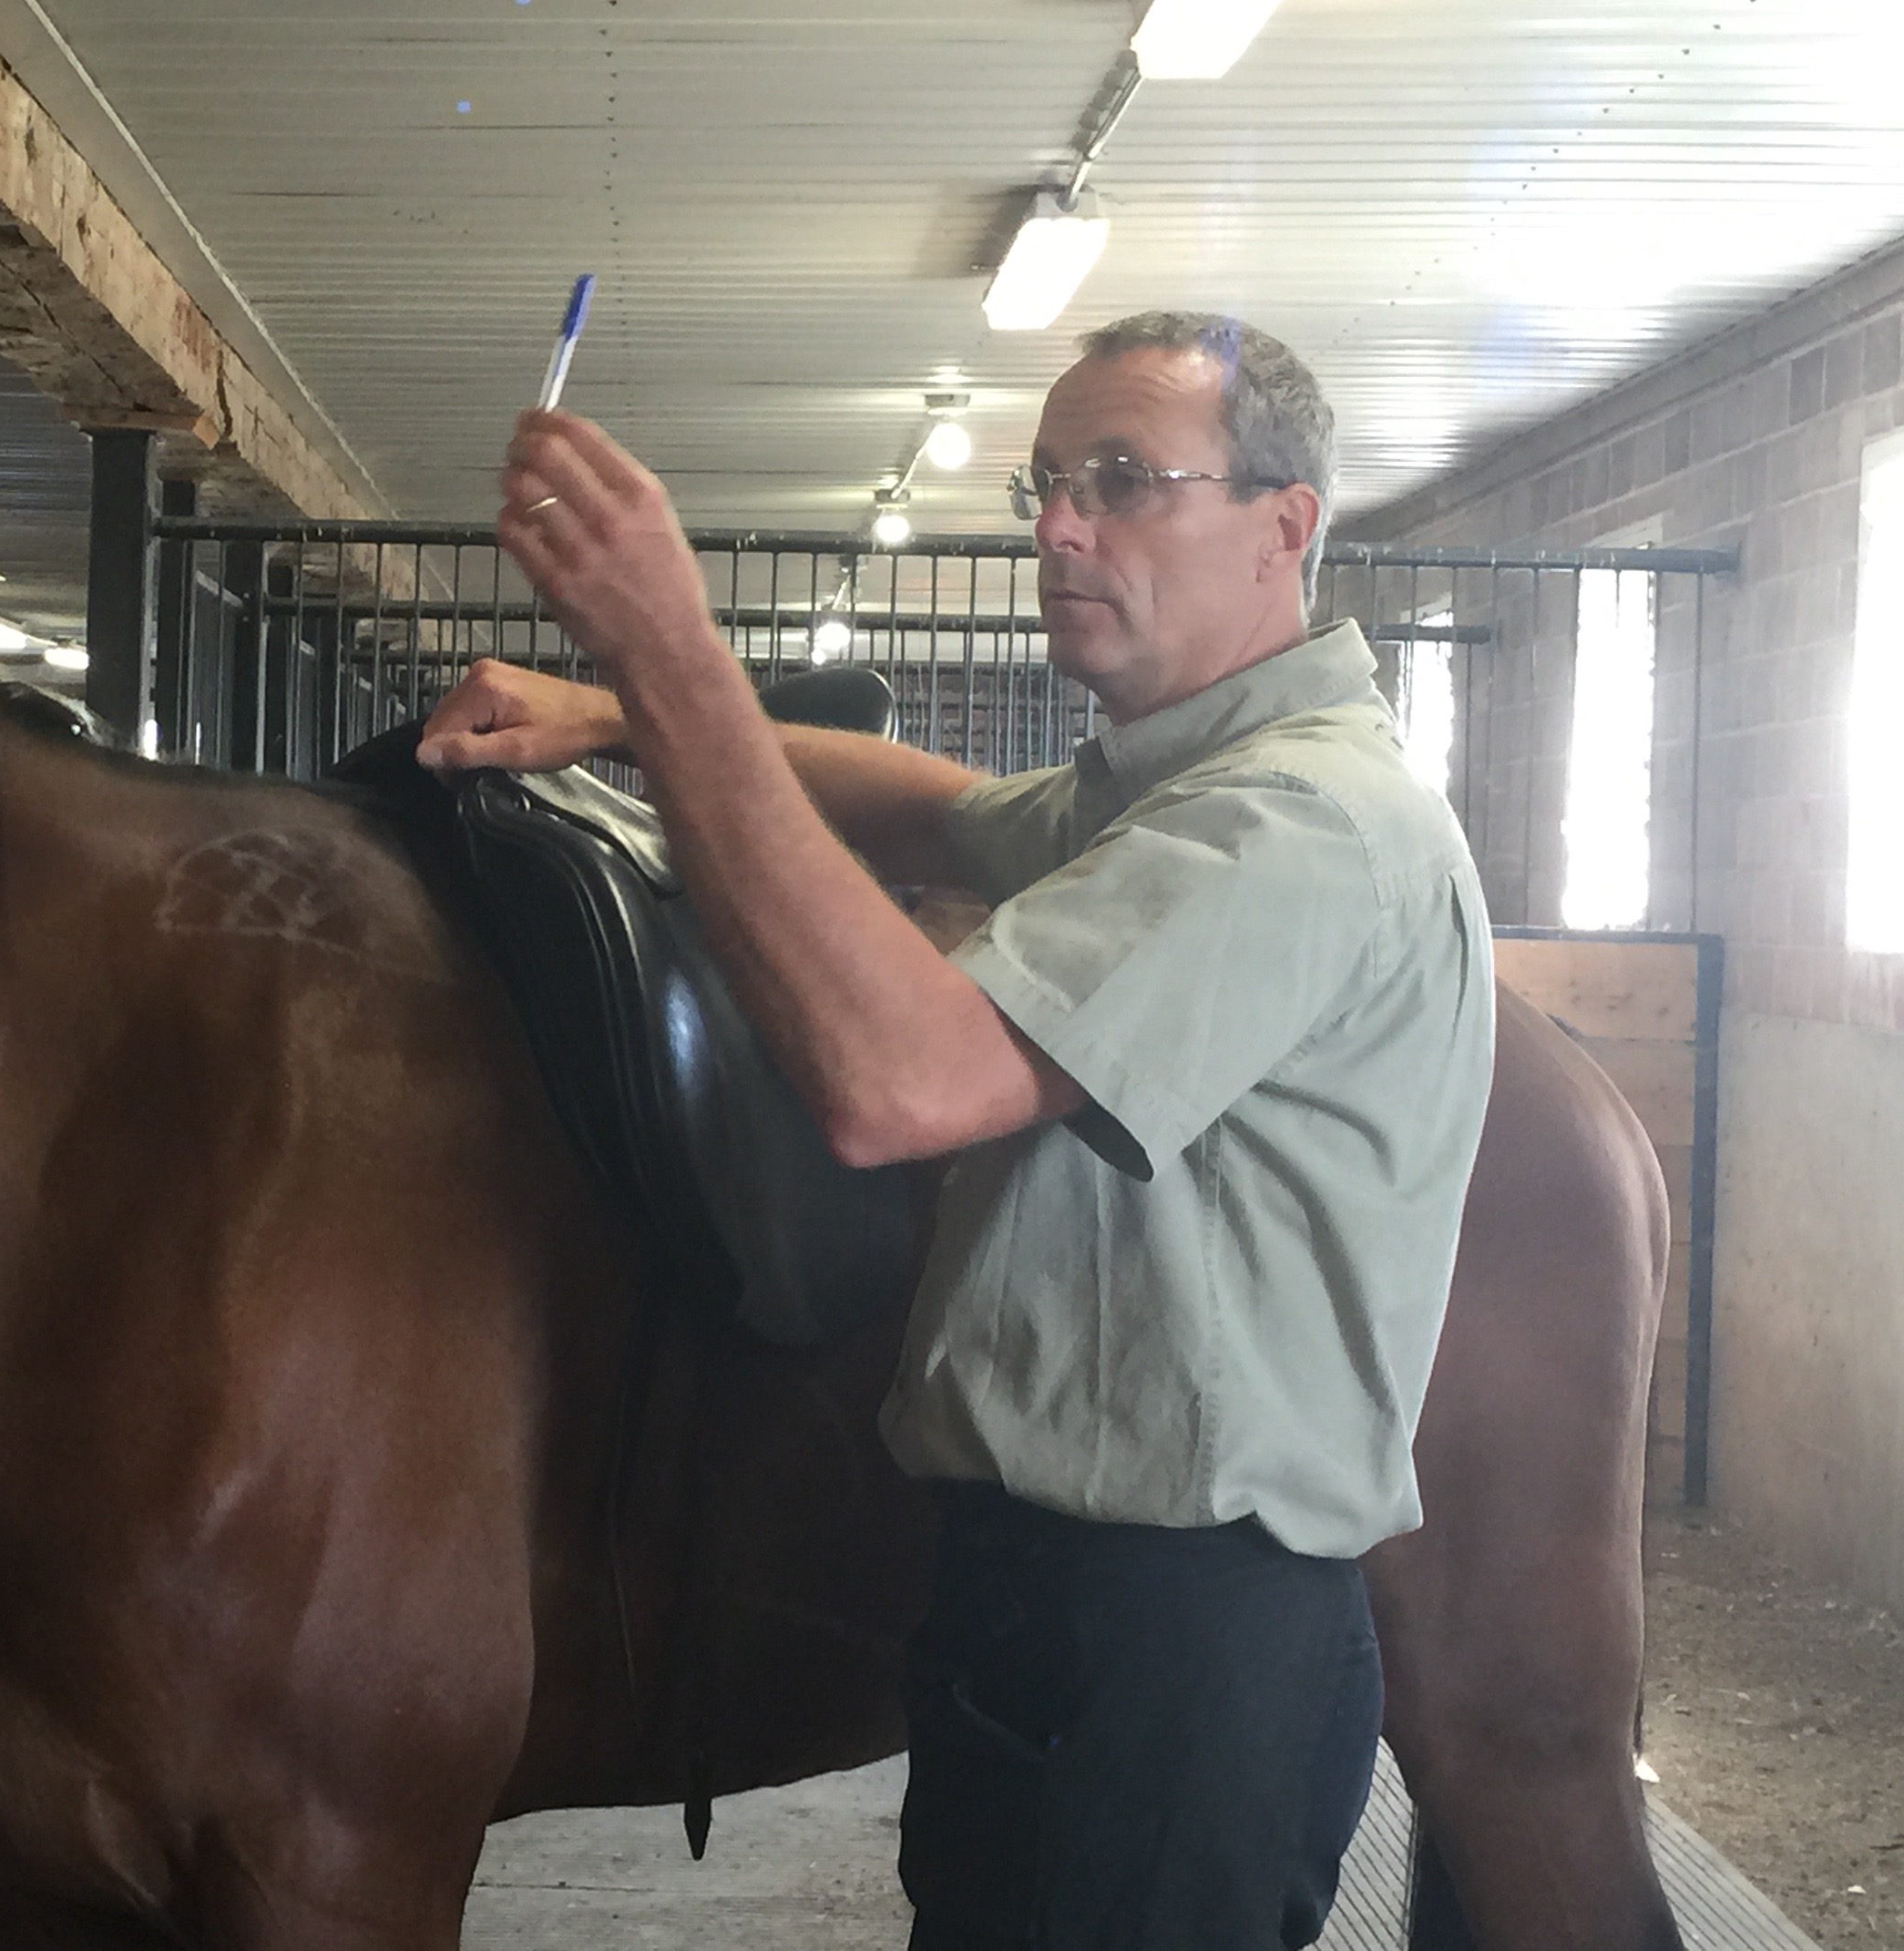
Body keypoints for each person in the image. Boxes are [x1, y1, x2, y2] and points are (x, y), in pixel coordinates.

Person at [418, 312, 1497, 1947]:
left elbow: (899, 1086)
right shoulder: (1160, 787)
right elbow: (936, 804)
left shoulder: (1296, 818)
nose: (1058, 525)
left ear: (1282, 524)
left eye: (1122, 479)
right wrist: (608, 713)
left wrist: (675, 661)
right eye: (1045, 482)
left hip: (1182, 1631)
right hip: (1041, 1592)